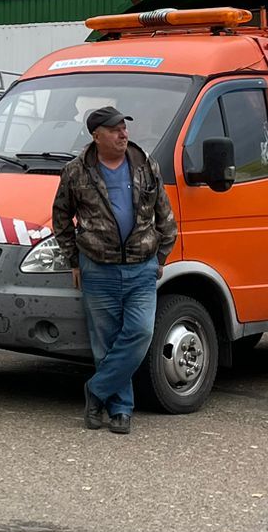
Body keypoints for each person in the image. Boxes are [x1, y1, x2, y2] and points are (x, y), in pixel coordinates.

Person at [50, 105, 178, 434]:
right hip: (98, 268)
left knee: (140, 333)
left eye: (124, 128)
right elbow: (61, 218)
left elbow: (166, 216)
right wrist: (73, 259)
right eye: (115, 129)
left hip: (141, 268)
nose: (123, 134)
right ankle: (120, 409)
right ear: (96, 136)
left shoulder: (144, 164)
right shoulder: (76, 171)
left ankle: (97, 390)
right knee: (105, 342)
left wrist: (161, 257)